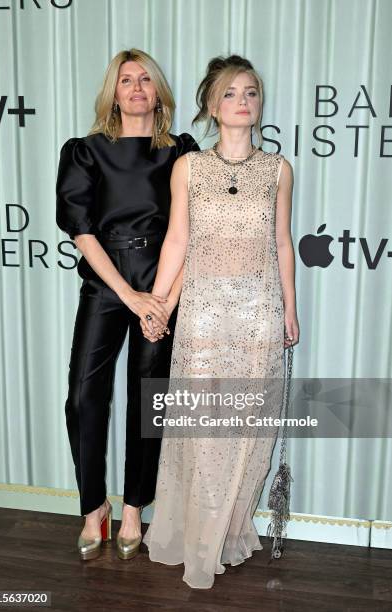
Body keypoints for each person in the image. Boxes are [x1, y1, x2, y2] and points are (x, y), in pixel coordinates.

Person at [141, 55, 299, 588]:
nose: (242, 101)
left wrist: (290, 312)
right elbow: (178, 241)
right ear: (212, 104)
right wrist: (158, 304)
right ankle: (200, 539)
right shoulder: (188, 168)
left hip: (257, 314)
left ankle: (228, 531)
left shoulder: (278, 169)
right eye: (231, 93)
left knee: (245, 430)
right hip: (204, 313)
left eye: (251, 92)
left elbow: (281, 244)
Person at [55, 48, 199, 562]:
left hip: (163, 285)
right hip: (107, 284)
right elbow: (82, 231)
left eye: (144, 79)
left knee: (149, 402)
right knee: (82, 396)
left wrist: (161, 300)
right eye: (125, 81)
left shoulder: (181, 151)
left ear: (158, 91)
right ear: (112, 93)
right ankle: (93, 506)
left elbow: (193, 230)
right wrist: (129, 295)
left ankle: (136, 506)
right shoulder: (84, 151)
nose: (136, 88)